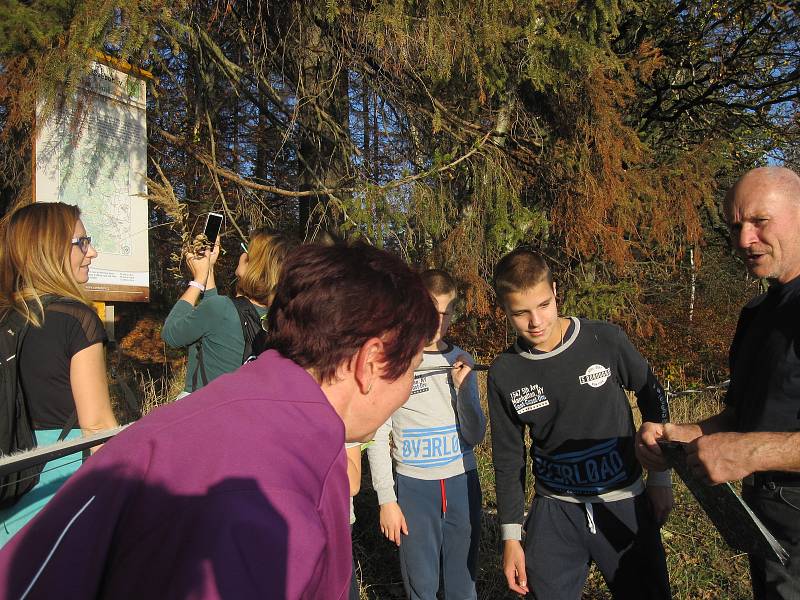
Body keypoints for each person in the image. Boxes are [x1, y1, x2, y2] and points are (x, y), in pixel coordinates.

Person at [0, 242, 439, 599]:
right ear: (371, 362)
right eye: (412, 368)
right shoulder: (275, 494)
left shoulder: (224, 409)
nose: (405, 392)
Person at [637, 166, 800, 600]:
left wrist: (750, 452)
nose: (743, 240)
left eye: (759, 221)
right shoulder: (756, 313)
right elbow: (741, 416)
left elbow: (750, 441)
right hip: (768, 528)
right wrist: (681, 436)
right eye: (735, 226)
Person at [488, 249, 672, 600]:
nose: (536, 322)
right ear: (505, 311)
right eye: (520, 313)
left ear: (556, 290)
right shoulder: (504, 372)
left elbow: (653, 394)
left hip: (623, 501)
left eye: (543, 305)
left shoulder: (606, 340)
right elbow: (508, 460)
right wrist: (511, 537)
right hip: (554, 510)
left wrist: (660, 478)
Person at [0, 202, 118, 545]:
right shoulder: (75, 319)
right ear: (49, 248)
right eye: (81, 242)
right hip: (57, 486)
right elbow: (97, 428)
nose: (92, 252)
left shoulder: (7, 317)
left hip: (9, 481)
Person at [368, 269, 486, 599]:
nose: (439, 322)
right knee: (422, 585)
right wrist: (386, 499)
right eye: (433, 311)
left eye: (447, 313)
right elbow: (378, 434)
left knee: (463, 586)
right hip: (414, 490)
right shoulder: (395, 360)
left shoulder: (462, 359)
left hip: (462, 482)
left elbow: (476, 434)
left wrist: (464, 391)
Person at [162, 227, 296, 397]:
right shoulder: (277, 318)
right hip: (234, 412)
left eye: (246, 251)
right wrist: (209, 268)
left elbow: (171, 334)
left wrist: (198, 280)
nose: (242, 255)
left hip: (199, 410)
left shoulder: (221, 309)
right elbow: (213, 323)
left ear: (253, 264)